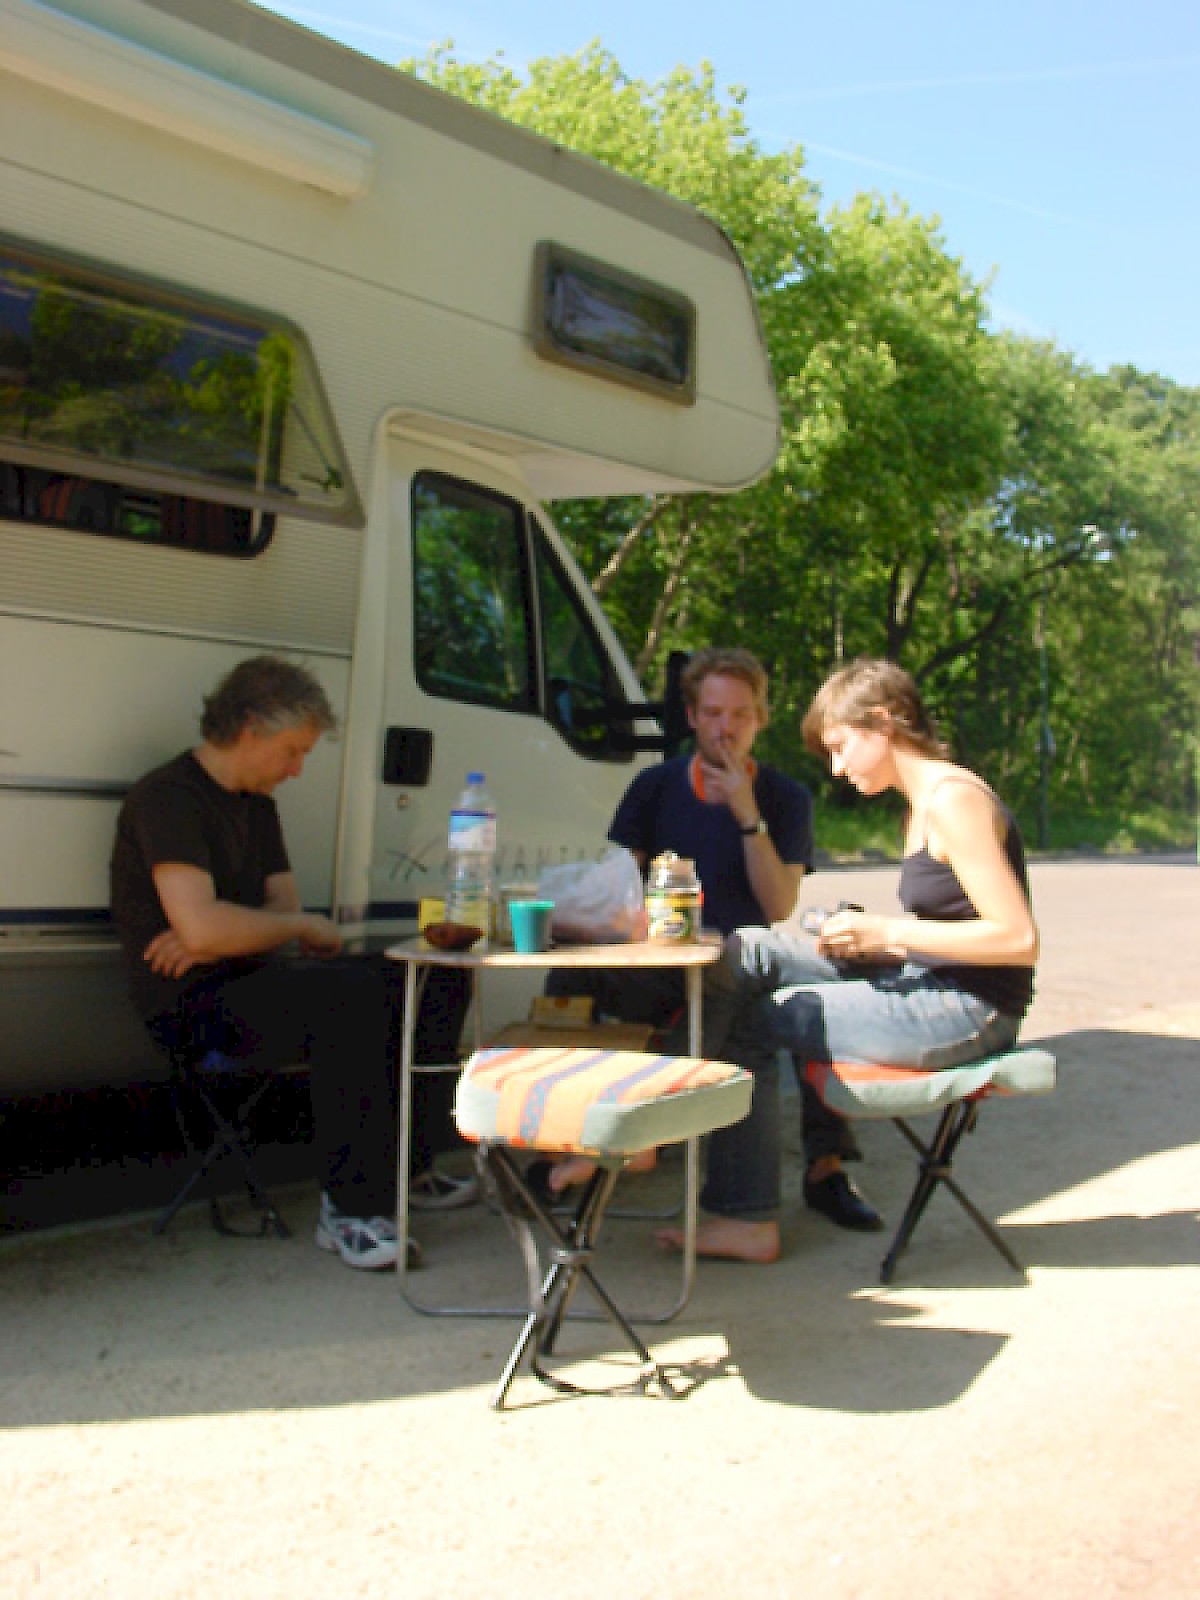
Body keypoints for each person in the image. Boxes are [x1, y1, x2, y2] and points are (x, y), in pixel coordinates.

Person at [664, 656, 1039, 1264]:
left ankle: (738, 1209)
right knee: (750, 951)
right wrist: (869, 940)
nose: (837, 768)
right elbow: (949, 929)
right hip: (930, 979)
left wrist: (885, 930)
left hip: (969, 1012)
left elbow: (1016, 939)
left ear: (883, 723)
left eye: (840, 748)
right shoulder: (922, 801)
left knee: (759, 1019)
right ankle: (660, 1105)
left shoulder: (955, 801)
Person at [110, 656, 470, 1271]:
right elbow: (260, 923)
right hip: (191, 1004)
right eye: (293, 751)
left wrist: (222, 933)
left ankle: (410, 1167)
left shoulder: (257, 804)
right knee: (347, 997)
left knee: (431, 975)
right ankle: (352, 1211)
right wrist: (246, 931)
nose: (298, 769)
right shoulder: (167, 799)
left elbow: (265, 912)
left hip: (252, 974)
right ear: (249, 730)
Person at [544, 646, 880, 1245]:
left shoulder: (785, 798)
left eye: (741, 715)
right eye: (715, 714)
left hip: (743, 964)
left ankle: (824, 1168)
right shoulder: (655, 787)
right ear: (693, 717)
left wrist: (748, 816)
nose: (727, 728)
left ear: (760, 720)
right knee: (569, 976)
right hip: (664, 960)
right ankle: (562, 1140)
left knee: (802, 1003)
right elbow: (616, 884)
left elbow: (777, 907)